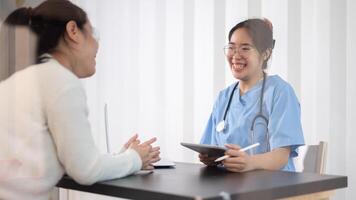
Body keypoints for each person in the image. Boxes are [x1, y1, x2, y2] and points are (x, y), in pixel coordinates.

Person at [0, 1, 160, 199]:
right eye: (93, 34)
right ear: (73, 31)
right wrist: (135, 158)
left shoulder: (20, 80)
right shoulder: (59, 79)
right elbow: (85, 171)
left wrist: (121, 159)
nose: (97, 45)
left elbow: (71, 161)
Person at [199, 18, 304, 172]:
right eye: (231, 47)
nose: (236, 55)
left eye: (245, 48)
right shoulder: (224, 97)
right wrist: (211, 158)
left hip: (273, 187)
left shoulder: (280, 92)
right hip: (231, 186)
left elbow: (281, 156)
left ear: (265, 53)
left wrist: (250, 162)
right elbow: (213, 148)